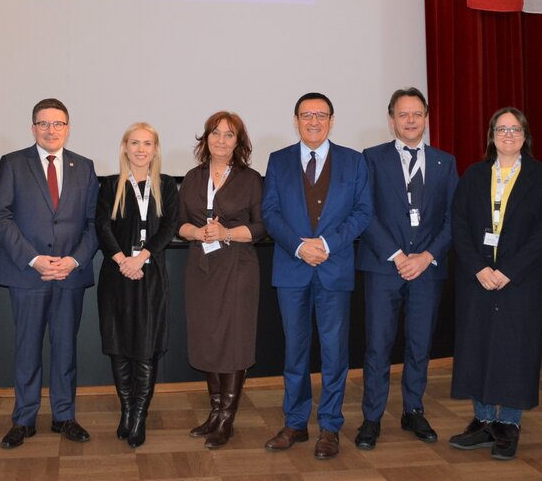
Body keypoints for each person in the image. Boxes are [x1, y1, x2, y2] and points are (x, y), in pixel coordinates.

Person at [262, 92, 373, 460]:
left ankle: (330, 426)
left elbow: (362, 214)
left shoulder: (354, 162)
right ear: (295, 120)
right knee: (294, 352)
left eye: (320, 115)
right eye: (306, 115)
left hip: (334, 267)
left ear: (332, 120)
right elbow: (271, 213)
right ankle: (295, 423)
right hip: (292, 269)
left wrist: (325, 243)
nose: (313, 121)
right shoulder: (278, 161)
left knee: (334, 353)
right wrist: (299, 246)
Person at [449, 107, 542, 461]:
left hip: (520, 281)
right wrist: (479, 267)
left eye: (515, 129)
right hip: (476, 279)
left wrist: (509, 270)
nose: (508, 135)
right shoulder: (474, 175)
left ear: (525, 136)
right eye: (501, 129)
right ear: (491, 135)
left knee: (515, 350)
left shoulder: (541, 178)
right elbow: (460, 224)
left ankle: (508, 425)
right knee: (478, 346)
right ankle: (482, 421)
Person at [0, 98, 99, 449]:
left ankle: (64, 416)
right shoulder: (13, 163)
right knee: (27, 350)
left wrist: (75, 260)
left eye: (58, 124)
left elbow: (95, 223)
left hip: (69, 275)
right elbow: (0, 216)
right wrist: (34, 259)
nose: (51, 130)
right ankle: (24, 419)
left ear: (68, 128)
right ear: (33, 127)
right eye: (44, 123)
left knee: (65, 349)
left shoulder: (84, 166)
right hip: (28, 274)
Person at [354, 88, 458, 450]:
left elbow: (452, 219)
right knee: (378, 346)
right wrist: (398, 256)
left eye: (417, 114)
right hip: (385, 268)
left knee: (419, 345)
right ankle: (371, 417)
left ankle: (413, 409)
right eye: (403, 114)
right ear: (391, 119)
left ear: (426, 117)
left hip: (427, 270)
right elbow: (365, 213)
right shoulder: (371, 159)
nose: (410, 120)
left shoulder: (446, 161)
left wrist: (426, 257)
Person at [178, 111, 265, 448]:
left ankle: (227, 419)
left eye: (229, 135)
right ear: (206, 138)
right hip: (201, 268)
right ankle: (215, 412)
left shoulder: (251, 178)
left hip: (238, 267)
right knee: (208, 338)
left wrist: (227, 231)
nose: (221, 140)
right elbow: (179, 223)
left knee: (234, 339)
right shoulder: (192, 176)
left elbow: (260, 227)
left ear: (238, 143)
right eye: (215, 133)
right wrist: (198, 232)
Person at [96, 123, 179, 448]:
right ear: (125, 147)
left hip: (150, 276)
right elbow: (102, 226)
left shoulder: (167, 185)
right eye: (135, 143)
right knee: (119, 347)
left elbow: (170, 226)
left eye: (147, 143)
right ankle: (126, 410)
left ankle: (139, 415)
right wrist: (122, 260)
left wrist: (141, 257)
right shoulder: (110, 185)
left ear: (155, 149)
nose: (141, 149)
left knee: (144, 349)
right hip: (116, 276)